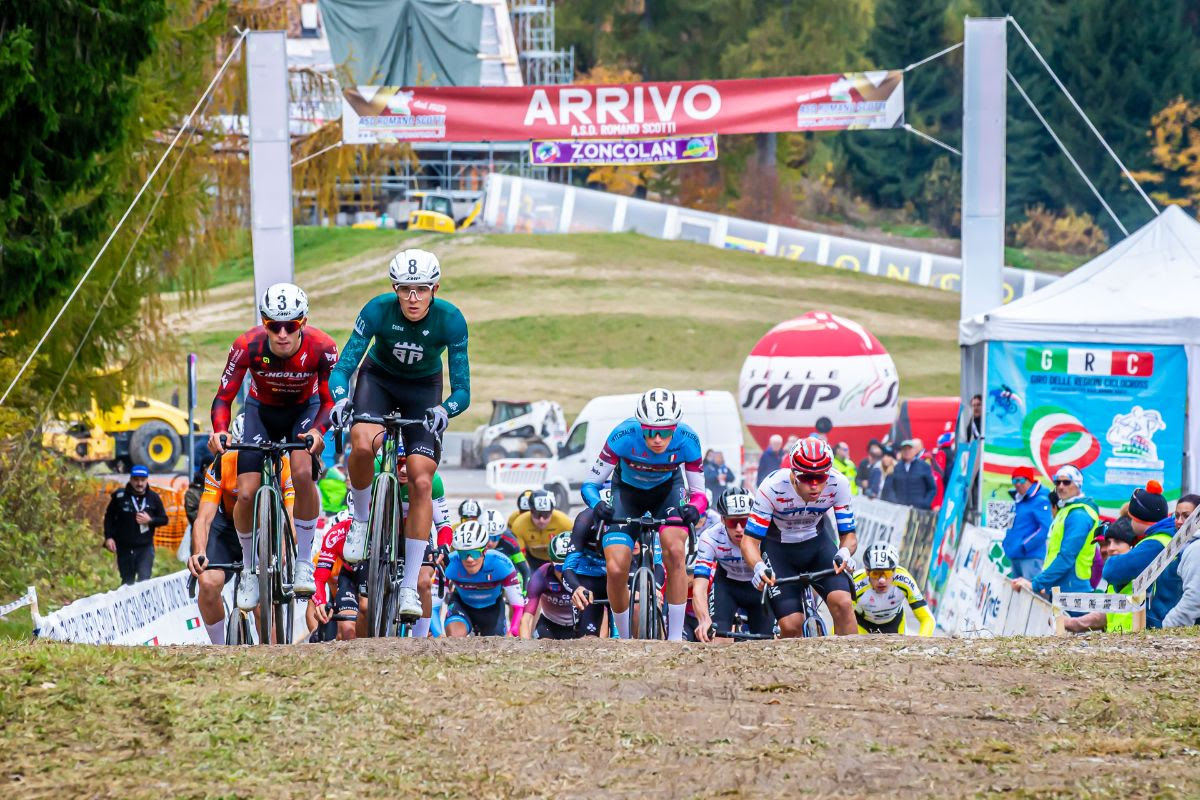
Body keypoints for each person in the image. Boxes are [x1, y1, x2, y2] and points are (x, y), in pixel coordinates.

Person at [328, 248, 470, 624]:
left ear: (434, 288)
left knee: (422, 480)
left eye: (421, 289)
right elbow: (343, 368)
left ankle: (409, 585)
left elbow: (463, 392)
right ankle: (360, 521)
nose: (412, 297)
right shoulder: (377, 310)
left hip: (423, 392)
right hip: (378, 381)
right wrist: (342, 400)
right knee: (360, 440)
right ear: (395, 288)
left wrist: (444, 410)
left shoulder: (451, 321)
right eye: (405, 289)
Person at [208, 282, 337, 601]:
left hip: (303, 413)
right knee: (247, 492)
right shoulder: (246, 345)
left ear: (302, 323)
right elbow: (223, 398)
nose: (281, 333)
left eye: (290, 326)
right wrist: (220, 430)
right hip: (261, 413)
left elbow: (331, 401)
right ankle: (250, 568)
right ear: (264, 323)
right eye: (273, 325)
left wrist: (319, 432)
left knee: (303, 474)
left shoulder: (323, 347)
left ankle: (304, 561)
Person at [579, 388, 707, 641]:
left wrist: (695, 509)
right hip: (627, 494)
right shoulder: (622, 435)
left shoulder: (688, 439)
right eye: (650, 432)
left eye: (665, 432)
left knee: (675, 551)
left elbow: (699, 493)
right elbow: (589, 485)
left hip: (668, 491)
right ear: (640, 426)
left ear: (676, 428)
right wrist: (597, 506)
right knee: (615, 568)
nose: (658, 439)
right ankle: (625, 638)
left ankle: (675, 639)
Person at [739, 439, 859, 637]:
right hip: (779, 551)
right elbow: (749, 541)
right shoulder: (772, 488)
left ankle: (853, 664)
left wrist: (845, 551)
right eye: (807, 478)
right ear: (793, 473)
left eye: (821, 478)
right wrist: (759, 567)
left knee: (843, 604)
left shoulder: (839, 483)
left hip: (817, 546)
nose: (815, 486)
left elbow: (849, 535)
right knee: (792, 625)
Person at [187, 432, 296, 643]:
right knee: (208, 583)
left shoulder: (281, 464)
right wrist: (199, 551)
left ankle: (273, 654)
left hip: (262, 531)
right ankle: (219, 649)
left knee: (262, 603)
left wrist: (283, 546)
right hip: (226, 529)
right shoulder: (222, 464)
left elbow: (290, 515)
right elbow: (203, 519)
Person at [693, 487, 775, 642]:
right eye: (732, 522)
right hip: (727, 588)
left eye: (744, 521)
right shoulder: (710, 538)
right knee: (718, 640)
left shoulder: (767, 533)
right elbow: (700, 586)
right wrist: (704, 619)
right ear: (722, 519)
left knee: (768, 644)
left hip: (759, 589)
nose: (739, 529)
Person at [1013, 466, 1099, 601]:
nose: (1060, 487)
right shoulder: (1067, 510)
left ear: (1077, 485)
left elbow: (1067, 556)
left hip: (1072, 588)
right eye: (1057, 482)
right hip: (1062, 585)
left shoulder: (1079, 514)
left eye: (1066, 482)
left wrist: (1036, 583)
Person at [1102, 482, 1181, 628]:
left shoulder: (1154, 543)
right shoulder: (1168, 538)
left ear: (1140, 519)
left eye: (1132, 518)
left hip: (1146, 624)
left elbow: (1111, 571)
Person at [442, 520, 523, 637]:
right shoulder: (450, 562)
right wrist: (437, 633)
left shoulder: (501, 563)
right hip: (462, 605)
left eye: (474, 553)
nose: (469, 559)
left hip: (492, 609)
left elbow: (517, 604)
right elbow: (434, 605)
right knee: (455, 637)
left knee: (495, 647)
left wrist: (514, 630)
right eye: (464, 554)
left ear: (485, 551)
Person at [1061, 517, 1138, 633]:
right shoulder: (1114, 576)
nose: (1104, 549)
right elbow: (1107, 614)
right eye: (1100, 545)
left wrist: (1072, 623)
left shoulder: (1131, 573)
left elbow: (1102, 616)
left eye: (1107, 543)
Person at [103, 465, 168, 585]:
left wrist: (150, 520)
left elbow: (164, 519)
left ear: (147, 480)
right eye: (136, 480)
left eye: (143, 480)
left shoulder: (153, 497)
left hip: (145, 547)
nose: (139, 483)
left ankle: (145, 604)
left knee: (144, 579)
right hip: (124, 547)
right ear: (131, 480)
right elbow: (109, 518)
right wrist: (109, 537)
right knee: (128, 582)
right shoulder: (119, 497)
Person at [851, 543, 934, 636]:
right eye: (876, 574)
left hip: (894, 625)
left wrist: (920, 644)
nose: (882, 580)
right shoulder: (856, 583)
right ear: (867, 571)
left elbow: (927, 619)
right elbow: (841, 618)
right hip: (861, 624)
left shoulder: (904, 579)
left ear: (894, 570)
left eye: (887, 573)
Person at [309, 510, 366, 641]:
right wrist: (320, 602)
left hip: (374, 576)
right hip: (349, 579)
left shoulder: (380, 531)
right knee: (347, 630)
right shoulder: (335, 536)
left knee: (367, 608)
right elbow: (318, 580)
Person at [562, 495, 612, 637]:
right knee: (587, 638)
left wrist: (654, 587)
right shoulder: (584, 520)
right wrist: (576, 587)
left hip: (619, 575)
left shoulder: (631, 515)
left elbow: (655, 560)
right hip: (589, 575)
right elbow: (568, 567)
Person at [519, 532, 578, 640]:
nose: (566, 572)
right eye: (560, 567)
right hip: (549, 625)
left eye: (573, 566)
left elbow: (602, 612)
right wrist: (524, 648)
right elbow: (526, 618)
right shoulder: (542, 575)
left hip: (579, 625)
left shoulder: (587, 574)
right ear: (551, 562)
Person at [1003, 466, 1052, 581]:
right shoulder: (1018, 500)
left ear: (1030, 480)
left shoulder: (1041, 500)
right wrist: (1007, 543)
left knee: (1029, 592)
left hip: (1030, 556)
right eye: (1014, 481)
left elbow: (1044, 529)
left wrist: (1025, 546)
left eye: (1021, 480)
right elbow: (1012, 527)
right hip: (1015, 554)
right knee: (1017, 593)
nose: (1017, 484)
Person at [1162, 494, 1200, 628]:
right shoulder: (1182, 545)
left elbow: (1194, 597)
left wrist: (1169, 625)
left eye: (1186, 516)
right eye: (1176, 516)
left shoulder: (1196, 548)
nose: (1179, 521)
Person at [510, 489, 571, 571]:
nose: (541, 520)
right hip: (532, 559)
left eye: (545, 515)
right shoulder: (519, 524)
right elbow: (520, 556)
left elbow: (573, 551)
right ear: (530, 511)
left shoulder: (565, 523)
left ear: (552, 512)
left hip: (558, 560)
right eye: (537, 514)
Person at [480, 506, 530, 587]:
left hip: (505, 570)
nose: (490, 542)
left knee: (518, 578)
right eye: (486, 537)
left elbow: (524, 570)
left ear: (501, 535)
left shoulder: (510, 541)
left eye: (494, 537)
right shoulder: (474, 541)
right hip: (481, 572)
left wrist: (525, 592)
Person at [882, 440, 936, 510]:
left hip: (918, 510)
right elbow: (890, 488)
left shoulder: (924, 466)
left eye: (909, 449)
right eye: (904, 449)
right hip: (900, 510)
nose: (907, 452)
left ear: (914, 451)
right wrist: (894, 502)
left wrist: (925, 503)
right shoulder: (896, 468)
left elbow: (932, 488)